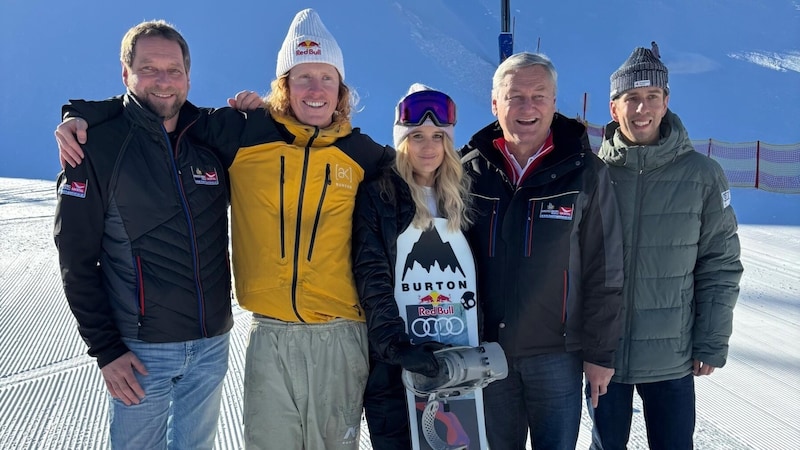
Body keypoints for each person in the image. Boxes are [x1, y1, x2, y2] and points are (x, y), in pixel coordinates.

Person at [55, 9, 394, 449]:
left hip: (283, 337)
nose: (315, 89)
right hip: (201, 342)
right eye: (302, 76)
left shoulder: (353, 151)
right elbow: (77, 259)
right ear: (284, 86)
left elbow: (418, 169)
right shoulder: (230, 135)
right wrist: (78, 115)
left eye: (326, 78)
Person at [53, 20, 234, 449]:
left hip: (212, 346)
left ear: (188, 76)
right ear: (125, 73)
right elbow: (75, 260)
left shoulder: (209, 139)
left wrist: (257, 105)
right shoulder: (95, 146)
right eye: (149, 68)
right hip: (141, 351)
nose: (164, 81)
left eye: (173, 69)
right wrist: (107, 350)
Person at [460, 51, 625, 449]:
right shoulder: (467, 172)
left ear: (554, 103)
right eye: (515, 96)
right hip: (487, 354)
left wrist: (601, 354)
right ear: (495, 102)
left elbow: (606, 270)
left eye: (539, 96)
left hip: (556, 356)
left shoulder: (585, 171)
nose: (527, 107)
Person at [586, 46, 743, 450]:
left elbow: (720, 263)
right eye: (631, 99)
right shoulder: (591, 173)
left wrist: (710, 339)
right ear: (613, 107)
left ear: (666, 102)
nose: (642, 109)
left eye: (652, 98)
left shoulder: (703, 175)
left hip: (672, 357)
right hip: (606, 357)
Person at [352, 83, 470, 449]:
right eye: (417, 135)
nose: (429, 146)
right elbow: (371, 273)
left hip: (451, 354)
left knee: (452, 442)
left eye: (438, 136)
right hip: (393, 365)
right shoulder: (379, 193)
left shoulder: (462, 195)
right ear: (402, 140)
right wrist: (397, 348)